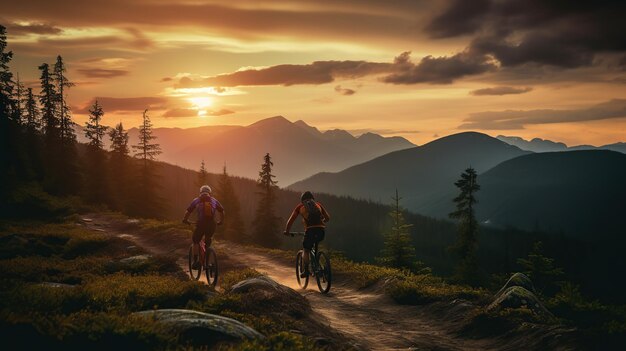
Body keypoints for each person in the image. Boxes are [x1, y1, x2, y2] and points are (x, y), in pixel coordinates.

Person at [284, 191, 330, 278]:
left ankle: (306, 270)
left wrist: (287, 231)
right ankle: (318, 266)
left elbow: (291, 220)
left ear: (302, 200)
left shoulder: (300, 206)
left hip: (310, 231)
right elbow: (327, 218)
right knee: (315, 243)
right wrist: (322, 222)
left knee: (306, 249)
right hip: (321, 230)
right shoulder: (318, 204)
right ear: (313, 198)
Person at [183, 185, 225, 269]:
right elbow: (222, 211)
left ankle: (195, 262)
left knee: (195, 241)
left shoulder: (196, 200)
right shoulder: (214, 200)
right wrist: (221, 221)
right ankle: (207, 260)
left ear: (200, 192)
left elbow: (188, 211)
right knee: (208, 241)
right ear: (209, 193)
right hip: (211, 224)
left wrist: (185, 219)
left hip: (201, 224)